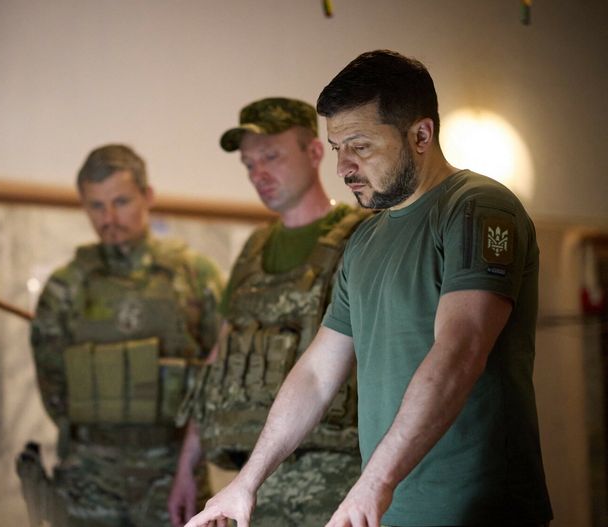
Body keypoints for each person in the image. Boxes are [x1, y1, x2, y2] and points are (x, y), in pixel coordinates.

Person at [185, 50, 552, 527]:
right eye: (337, 147)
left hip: (479, 510)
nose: (344, 167)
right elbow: (317, 373)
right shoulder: (365, 240)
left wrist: (374, 484)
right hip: (389, 511)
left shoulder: (477, 208)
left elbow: (460, 351)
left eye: (360, 146)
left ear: (421, 135)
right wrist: (246, 483)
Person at [168, 97, 370, 526]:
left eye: (271, 156)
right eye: (248, 164)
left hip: (336, 476)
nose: (258, 173)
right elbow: (221, 357)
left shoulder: (362, 237)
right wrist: (188, 466)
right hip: (254, 480)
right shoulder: (253, 249)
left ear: (314, 152)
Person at [21, 144, 225, 526]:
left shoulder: (197, 277)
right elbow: (53, 388)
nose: (109, 218)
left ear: (148, 196)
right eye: (96, 206)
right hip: (89, 480)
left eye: (121, 202)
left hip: (174, 475)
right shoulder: (65, 287)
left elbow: (220, 376)